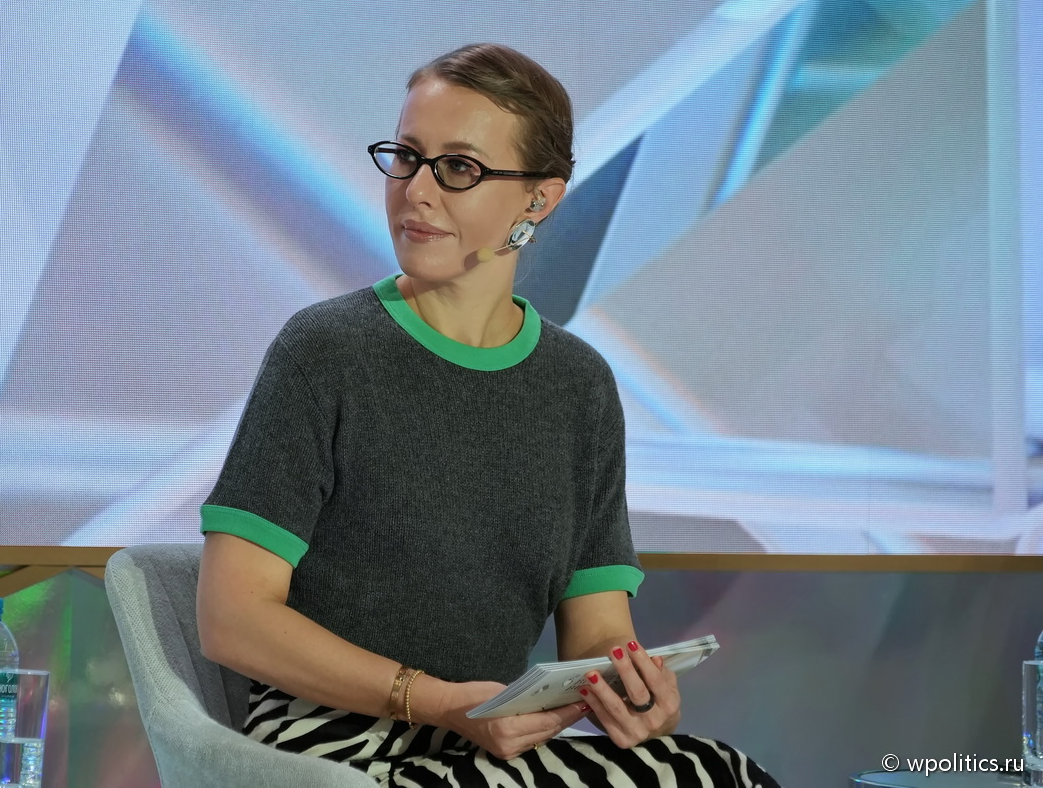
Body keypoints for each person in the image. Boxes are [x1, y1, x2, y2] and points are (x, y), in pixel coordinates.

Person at [197, 43, 781, 787]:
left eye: (459, 168)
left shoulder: (580, 387)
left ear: (539, 200)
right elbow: (231, 618)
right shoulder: (324, 351)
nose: (416, 190)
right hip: (328, 747)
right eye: (406, 157)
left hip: (486, 746)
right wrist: (438, 703)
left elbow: (599, 631)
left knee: (716, 771)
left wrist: (633, 693)